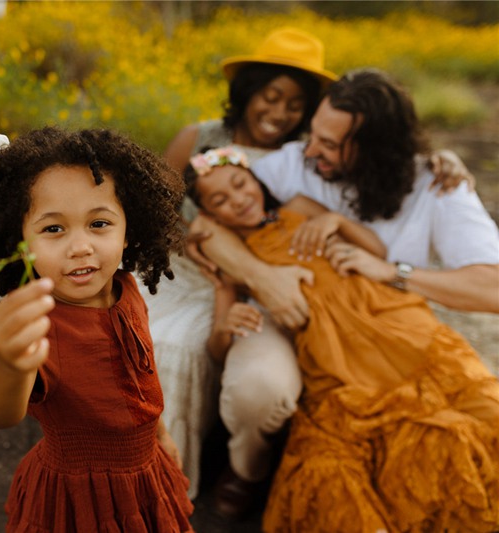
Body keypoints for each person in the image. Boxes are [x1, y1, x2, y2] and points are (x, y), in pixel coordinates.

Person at [189, 68, 499, 518]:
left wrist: (390, 269)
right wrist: (260, 276)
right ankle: (247, 470)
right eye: (313, 133)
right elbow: (201, 222)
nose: (311, 150)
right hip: (307, 329)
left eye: (330, 144)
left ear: (375, 148)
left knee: (478, 418)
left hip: (385, 320)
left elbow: (491, 288)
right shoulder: (288, 165)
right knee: (327, 436)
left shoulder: (434, 184)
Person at [0, 127, 194, 532]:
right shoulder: (38, 324)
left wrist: (160, 437)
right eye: (53, 229)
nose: (80, 246)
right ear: (19, 243)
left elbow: (142, 379)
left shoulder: (126, 289)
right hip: (79, 501)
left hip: (147, 472)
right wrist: (10, 361)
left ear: (129, 227)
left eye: (99, 223)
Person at [140, 26, 338, 503]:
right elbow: (152, 212)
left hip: (243, 285)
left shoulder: (300, 159)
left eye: (295, 105)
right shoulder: (199, 136)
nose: (280, 113)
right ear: (248, 90)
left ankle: (166, 485)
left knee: (179, 350)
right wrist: (196, 243)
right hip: (178, 269)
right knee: (122, 332)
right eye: (271, 96)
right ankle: (107, 465)